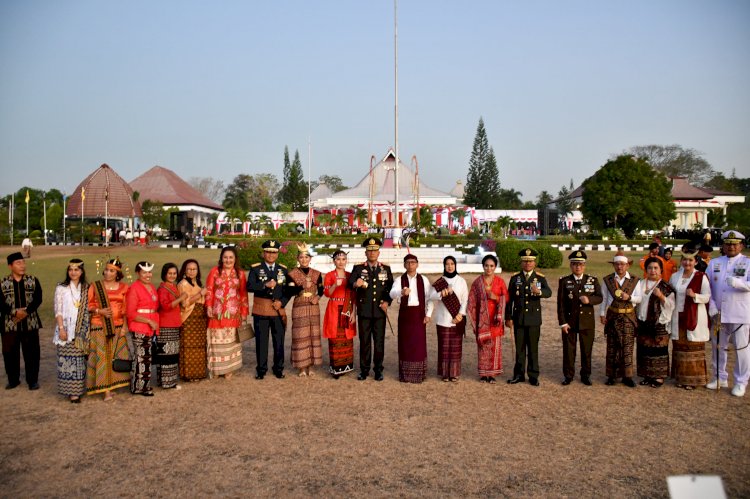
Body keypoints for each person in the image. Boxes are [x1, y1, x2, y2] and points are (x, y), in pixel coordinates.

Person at [707, 230, 750, 397]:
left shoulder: (747, 263)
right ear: (723, 246)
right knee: (718, 348)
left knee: (742, 349)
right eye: (728, 244)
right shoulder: (715, 263)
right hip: (718, 313)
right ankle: (719, 377)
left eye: (735, 244)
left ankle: (741, 381)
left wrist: (739, 283)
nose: (731, 246)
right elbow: (707, 286)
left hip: (739, 313)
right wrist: (711, 305)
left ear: (741, 245)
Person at [349, 237, 394, 381]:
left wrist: (387, 301)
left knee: (379, 342)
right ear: (366, 253)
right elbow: (350, 283)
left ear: (379, 253)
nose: (372, 253)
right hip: (364, 311)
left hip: (380, 311)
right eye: (369, 251)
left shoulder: (385, 269)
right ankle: (364, 370)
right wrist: (356, 283)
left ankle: (378, 370)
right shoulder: (358, 268)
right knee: (365, 342)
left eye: (375, 251)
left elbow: (391, 289)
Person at [505, 248, 552, 386]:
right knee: (519, 349)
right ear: (521, 263)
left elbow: (548, 292)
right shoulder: (515, 278)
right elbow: (509, 300)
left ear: (534, 262)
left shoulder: (540, 278)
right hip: (519, 318)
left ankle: (533, 375)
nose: (528, 264)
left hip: (533, 319)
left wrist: (540, 292)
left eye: (530, 261)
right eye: (525, 261)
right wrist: (508, 317)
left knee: (533, 349)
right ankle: (518, 375)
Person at [86, 257, 130, 401]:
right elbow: (88, 305)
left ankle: (111, 385)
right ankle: (104, 390)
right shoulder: (95, 286)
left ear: (117, 273)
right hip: (99, 326)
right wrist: (100, 311)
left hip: (117, 327)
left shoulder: (124, 287)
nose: (107, 273)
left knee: (114, 356)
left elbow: (125, 308)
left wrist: (124, 326)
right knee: (102, 357)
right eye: (106, 270)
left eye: (111, 271)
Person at [557, 250, 603, 386]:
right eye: (575, 264)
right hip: (570, 322)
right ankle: (568, 375)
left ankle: (586, 375)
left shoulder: (592, 280)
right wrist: (563, 323)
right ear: (571, 266)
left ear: (585, 266)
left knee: (586, 350)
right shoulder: (565, 281)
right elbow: (561, 305)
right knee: (569, 351)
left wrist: (589, 300)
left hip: (587, 322)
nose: (578, 267)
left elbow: (600, 297)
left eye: (581, 264)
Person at [668, 249, 710, 390]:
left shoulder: (701, 276)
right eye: (685, 260)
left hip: (693, 315)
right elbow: (670, 293)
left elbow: (707, 296)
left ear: (695, 262)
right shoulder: (674, 277)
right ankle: (680, 377)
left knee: (693, 347)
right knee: (679, 347)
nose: (687, 262)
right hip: (677, 316)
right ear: (681, 261)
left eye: (690, 260)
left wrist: (695, 295)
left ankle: (694, 380)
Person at [247, 240, 290, 380]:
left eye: (274, 253)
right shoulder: (255, 269)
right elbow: (249, 286)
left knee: (279, 340)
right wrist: (264, 285)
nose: (271, 255)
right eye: (268, 252)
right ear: (263, 253)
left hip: (277, 309)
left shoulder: (283, 270)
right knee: (261, 341)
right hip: (261, 310)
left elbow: (288, 290)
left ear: (277, 254)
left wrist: (282, 302)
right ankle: (261, 369)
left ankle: (278, 368)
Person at [632, 257, 675, 388]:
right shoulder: (640, 284)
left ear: (661, 270)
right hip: (643, 322)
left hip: (659, 324)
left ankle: (658, 377)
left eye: (656, 268)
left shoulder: (666, 286)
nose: (653, 271)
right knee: (644, 349)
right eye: (650, 268)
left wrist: (661, 296)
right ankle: (646, 375)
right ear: (646, 270)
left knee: (658, 350)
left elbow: (671, 305)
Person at [205, 246, 248, 379]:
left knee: (231, 342)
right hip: (216, 313)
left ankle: (229, 369)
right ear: (221, 258)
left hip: (233, 313)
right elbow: (209, 290)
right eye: (225, 257)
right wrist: (208, 306)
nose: (228, 260)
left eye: (231, 257)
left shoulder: (240, 274)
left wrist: (244, 312)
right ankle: (217, 369)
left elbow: (243, 294)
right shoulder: (214, 272)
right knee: (217, 342)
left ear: (235, 259)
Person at [389, 254, 433, 383]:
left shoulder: (424, 280)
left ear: (417, 264)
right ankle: (405, 374)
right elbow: (392, 294)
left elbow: (429, 298)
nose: (410, 265)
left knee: (418, 346)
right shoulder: (399, 280)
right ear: (404, 265)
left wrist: (428, 314)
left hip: (419, 315)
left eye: (413, 262)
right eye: (407, 262)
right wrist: (401, 293)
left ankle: (419, 374)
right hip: (405, 316)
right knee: (405, 345)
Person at [1, 252, 42, 390]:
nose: (22, 265)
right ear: (10, 266)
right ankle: (13, 379)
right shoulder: (3, 283)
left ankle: (32, 380)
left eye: (23, 262)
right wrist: (14, 312)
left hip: (30, 323)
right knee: (10, 353)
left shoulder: (33, 280)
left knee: (32, 352)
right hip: (9, 324)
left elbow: (38, 299)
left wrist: (26, 312)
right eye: (18, 263)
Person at [600, 250, 640, 387]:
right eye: (617, 264)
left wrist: (630, 298)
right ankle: (611, 375)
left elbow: (640, 298)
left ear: (627, 265)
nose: (620, 267)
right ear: (613, 265)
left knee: (627, 347)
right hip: (613, 315)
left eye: (622, 264)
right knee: (612, 347)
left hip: (628, 316)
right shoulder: (608, 280)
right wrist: (601, 313)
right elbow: (604, 298)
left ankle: (627, 376)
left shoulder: (635, 280)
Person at [467, 254, 508, 383]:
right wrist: (475, 320)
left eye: (491, 266)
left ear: (495, 267)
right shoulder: (477, 282)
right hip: (482, 320)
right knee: (483, 347)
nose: (489, 268)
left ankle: (492, 374)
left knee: (495, 346)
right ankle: (484, 374)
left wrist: (496, 297)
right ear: (483, 266)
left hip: (495, 319)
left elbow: (506, 298)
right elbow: (471, 301)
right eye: (486, 266)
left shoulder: (500, 281)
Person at [53, 259, 89, 403]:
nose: (73, 272)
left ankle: (78, 390)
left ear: (81, 272)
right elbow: (58, 310)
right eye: (70, 270)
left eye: (76, 270)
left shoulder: (86, 288)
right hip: (66, 329)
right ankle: (70, 392)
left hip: (81, 329)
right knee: (67, 361)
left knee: (79, 361)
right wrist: (61, 329)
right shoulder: (61, 288)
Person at [287, 243, 324, 377]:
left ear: (310, 259)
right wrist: (302, 286)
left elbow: (321, 290)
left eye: (306, 257)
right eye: (301, 257)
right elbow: (289, 290)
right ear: (298, 259)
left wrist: (318, 298)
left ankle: (311, 365)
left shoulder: (317, 273)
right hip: (299, 305)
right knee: (300, 335)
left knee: (313, 335)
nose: (304, 260)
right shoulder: (292, 274)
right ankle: (301, 366)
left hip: (313, 307)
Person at [430, 255, 468, 382]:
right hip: (443, 320)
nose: (450, 266)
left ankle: (454, 373)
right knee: (444, 348)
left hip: (457, 319)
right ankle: (445, 373)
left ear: (455, 265)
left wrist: (460, 315)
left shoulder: (461, 281)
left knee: (455, 348)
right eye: (447, 264)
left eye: (452, 263)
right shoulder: (440, 281)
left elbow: (465, 300)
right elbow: (431, 296)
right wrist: (442, 293)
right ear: (444, 266)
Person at [126, 261, 160, 396]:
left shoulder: (151, 286)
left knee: (147, 357)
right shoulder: (134, 288)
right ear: (138, 273)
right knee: (141, 357)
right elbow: (131, 313)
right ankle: (139, 387)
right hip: (140, 326)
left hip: (151, 326)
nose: (148, 275)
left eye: (149, 272)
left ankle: (144, 384)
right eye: (144, 272)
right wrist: (148, 321)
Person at [322, 250, 357, 378]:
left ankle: (346, 365)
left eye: (343, 259)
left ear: (346, 261)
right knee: (335, 337)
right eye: (338, 259)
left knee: (347, 337)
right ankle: (336, 367)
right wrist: (334, 286)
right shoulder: (330, 275)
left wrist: (353, 312)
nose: (341, 262)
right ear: (334, 261)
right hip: (334, 308)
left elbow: (354, 296)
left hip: (347, 308)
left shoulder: (350, 275)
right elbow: (327, 294)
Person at [156, 262, 188, 389]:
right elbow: (166, 306)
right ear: (164, 274)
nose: (172, 276)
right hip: (166, 324)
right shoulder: (163, 289)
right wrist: (181, 298)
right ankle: (167, 382)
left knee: (172, 353)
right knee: (167, 354)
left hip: (174, 324)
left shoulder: (173, 286)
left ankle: (167, 380)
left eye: (174, 273)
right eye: (170, 273)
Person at [178, 259, 208, 381]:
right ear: (185, 271)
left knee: (200, 346)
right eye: (189, 269)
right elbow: (185, 303)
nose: (192, 271)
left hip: (200, 319)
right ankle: (188, 374)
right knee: (188, 346)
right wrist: (200, 294)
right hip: (189, 318)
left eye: (194, 269)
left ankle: (199, 372)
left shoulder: (197, 282)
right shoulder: (183, 284)